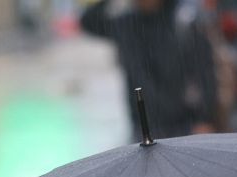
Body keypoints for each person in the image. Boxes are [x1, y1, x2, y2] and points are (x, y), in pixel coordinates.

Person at [80, 0, 220, 139]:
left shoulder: (183, 23)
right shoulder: (125, 25)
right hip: (144, 127)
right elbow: (88, 21)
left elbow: (205, 74)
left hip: (185, 125)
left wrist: (204, 118)